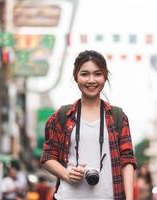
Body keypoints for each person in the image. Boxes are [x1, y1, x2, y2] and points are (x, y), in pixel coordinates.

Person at [40, 50, 137, 200]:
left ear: (105, 77)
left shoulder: (118, 117)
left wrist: (130, 198)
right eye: (84, 74)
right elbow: (47, 157)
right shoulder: (62, 115)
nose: (91, 80)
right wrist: (66, 174)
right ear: (76, 77)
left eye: (97, 74)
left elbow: (127, 160)